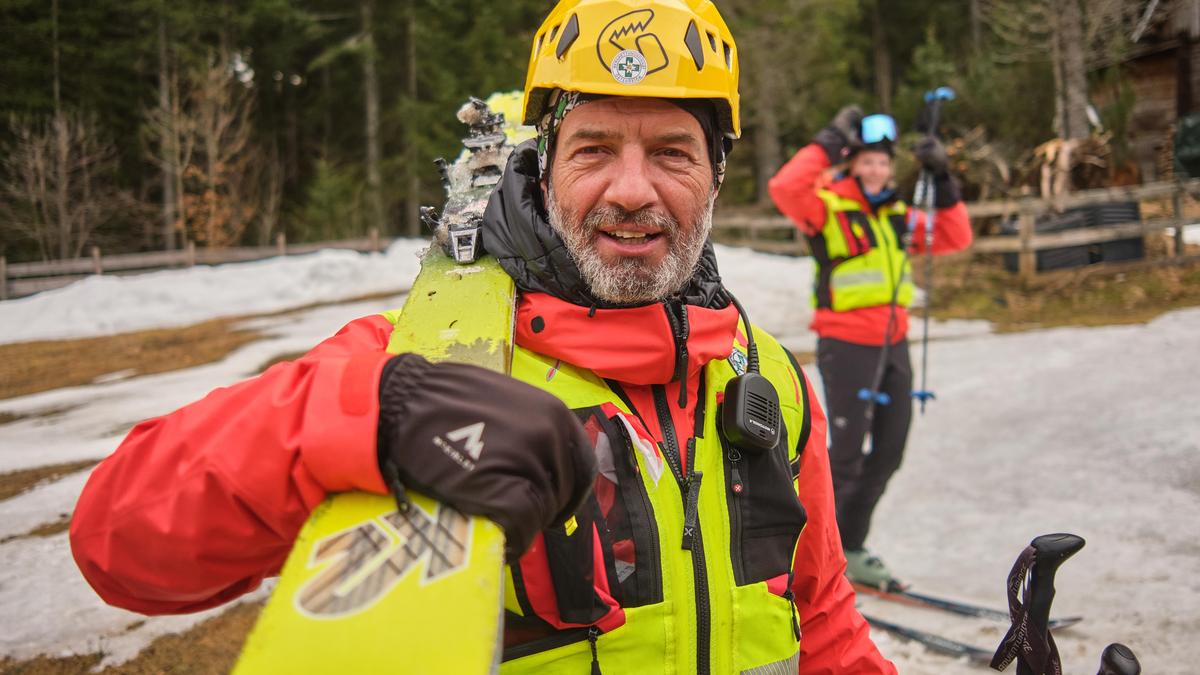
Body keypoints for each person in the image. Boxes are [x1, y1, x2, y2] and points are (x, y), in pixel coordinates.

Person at [70, 2, 896, 672]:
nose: (633, 189)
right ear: (543, 169)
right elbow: (116, 542)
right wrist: (377, 415)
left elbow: (821, 619)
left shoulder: (770, 382)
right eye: (595, 148)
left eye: (673, 152)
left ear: (716, 175)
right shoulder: (429, 363)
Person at [768, 106, 973, 589]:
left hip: (894, 342)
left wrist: (943, 180)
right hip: (846, 343)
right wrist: (830, 140)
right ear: (851, 164)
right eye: (865, 161)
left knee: (889, 452)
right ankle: (817, 555)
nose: (876, 170)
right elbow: (784, 188)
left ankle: (851, 545)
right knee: (844, 458)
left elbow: (954, 235)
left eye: (883, 162)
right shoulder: (828, 205)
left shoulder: (899, 215)